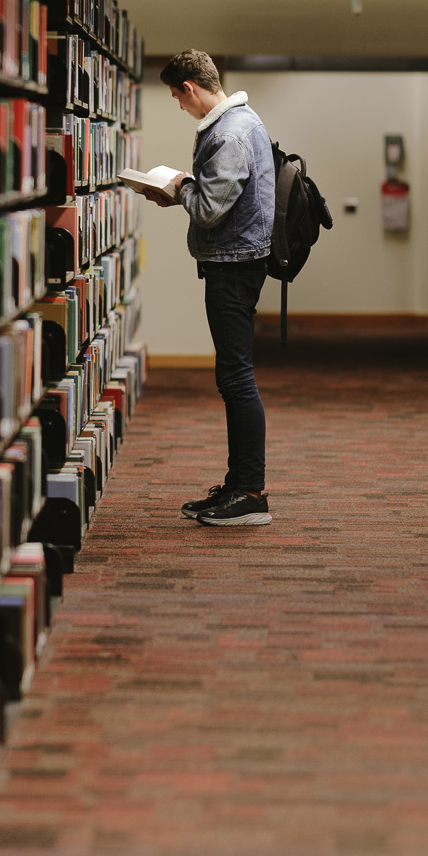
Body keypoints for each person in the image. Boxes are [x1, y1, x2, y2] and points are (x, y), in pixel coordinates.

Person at [140, 50, 275, 527]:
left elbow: (209, 209)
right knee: (232, 376)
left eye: (177, 96)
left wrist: (178, 187)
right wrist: (181, 191)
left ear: (190, 88)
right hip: (234, 261)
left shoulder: (231, 133)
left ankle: (252, 494)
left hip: (234, 265)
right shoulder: (236, 124)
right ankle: (239, 484)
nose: (178, 105)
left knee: (236, 378)